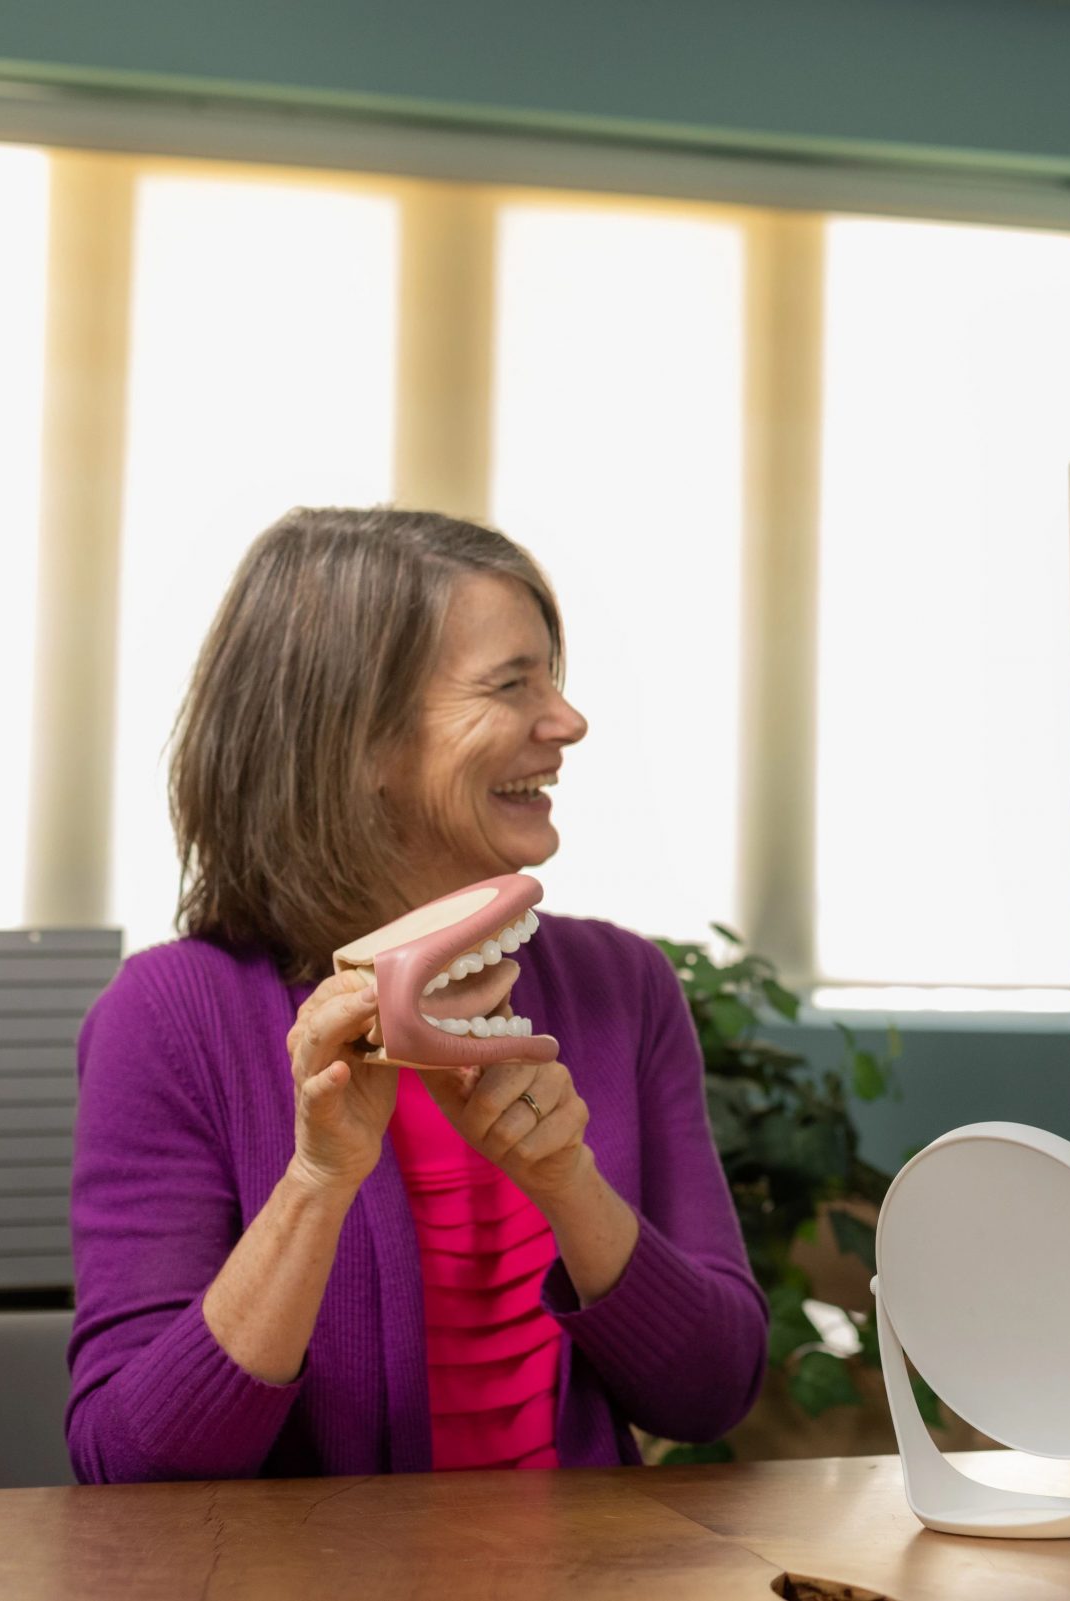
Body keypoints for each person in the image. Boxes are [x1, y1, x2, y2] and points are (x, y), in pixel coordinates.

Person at [67, 507, 766, 1481]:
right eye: (511, 683)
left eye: (552, 677)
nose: (567, 721)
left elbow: (710, 1391)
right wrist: (318, 1182)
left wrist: (568, 1183)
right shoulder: (172, 1015)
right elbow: (129, 1465)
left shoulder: (623, 986)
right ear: (361, 744)